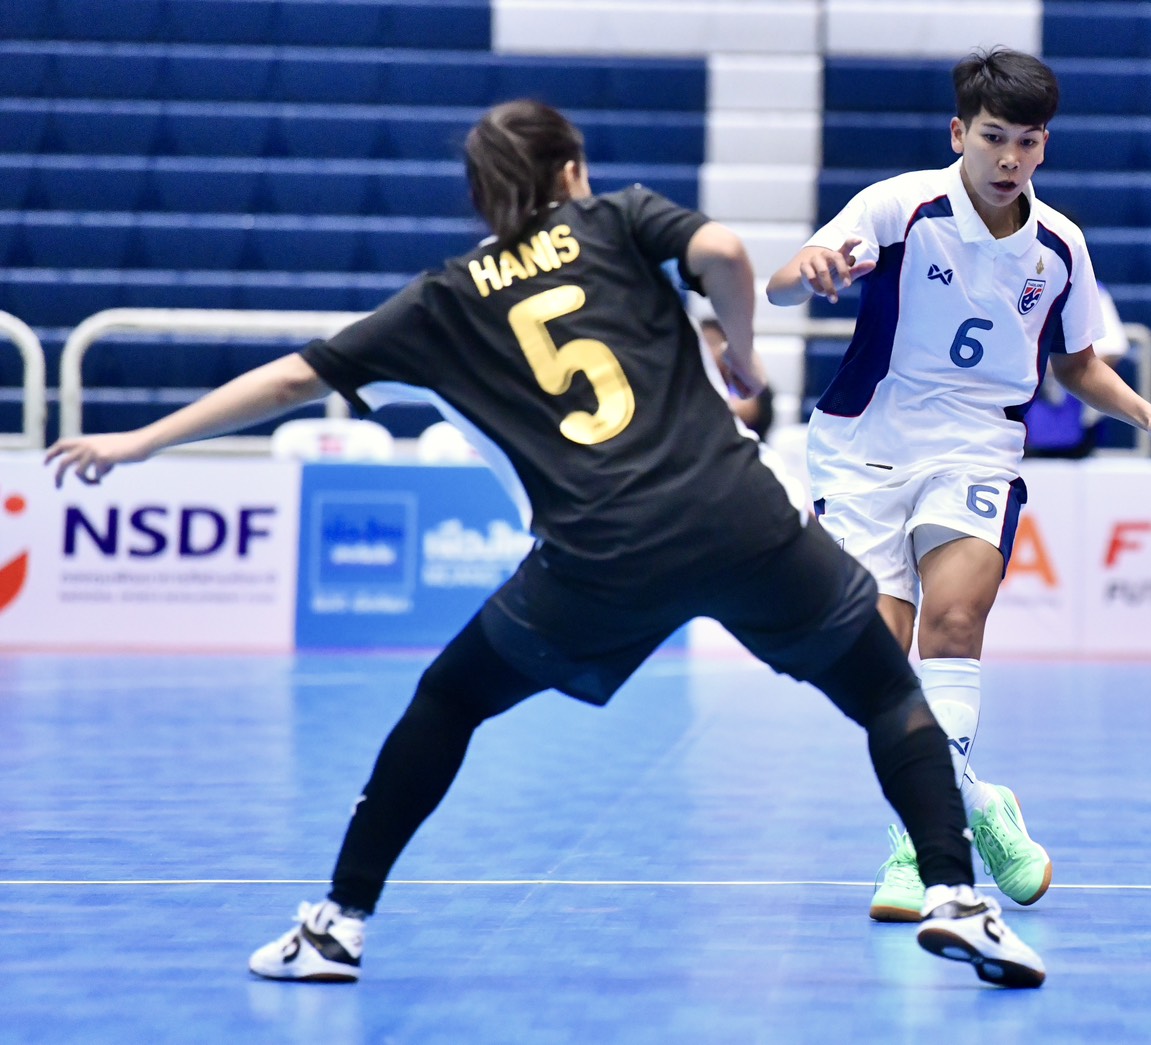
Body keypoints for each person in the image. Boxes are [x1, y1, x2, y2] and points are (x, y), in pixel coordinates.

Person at [44, 100, 1045, 989]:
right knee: (887, 694)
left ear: (483, 198)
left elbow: (292, 378)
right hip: (739, 517)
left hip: (597, 556)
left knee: (448, 701)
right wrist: (740, 356)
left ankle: (337, 924)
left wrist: (139, 441)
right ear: (571, 171)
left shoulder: (442, 299)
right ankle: (954, 895)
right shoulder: (617, 220)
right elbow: (727, 253)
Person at [764, 49, 1151, 922]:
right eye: (993, 137)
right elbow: (786, 285)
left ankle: (919, 848)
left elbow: (1076, 364)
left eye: (1028, 141)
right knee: (871, 661)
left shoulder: (1060, 246)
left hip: (977, 448)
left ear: (1044, 145)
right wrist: (809, 271)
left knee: (955, 620)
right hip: (863, 449)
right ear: (958, 134)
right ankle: (980, 801)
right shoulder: (900, 207)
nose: (1009, 158)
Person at [1022, 280, 1129, 458]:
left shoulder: (1087, 287)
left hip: (1075, 424)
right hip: (1011, 418)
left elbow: (1111, 349)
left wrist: (1061, 365)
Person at [691, 297, 775, 441]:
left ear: (727, 345)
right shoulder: (693, 381)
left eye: (711, 343)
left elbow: (745, 410)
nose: (706, 351)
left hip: (746, 449)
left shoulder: (744, 378)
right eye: (702, 345)